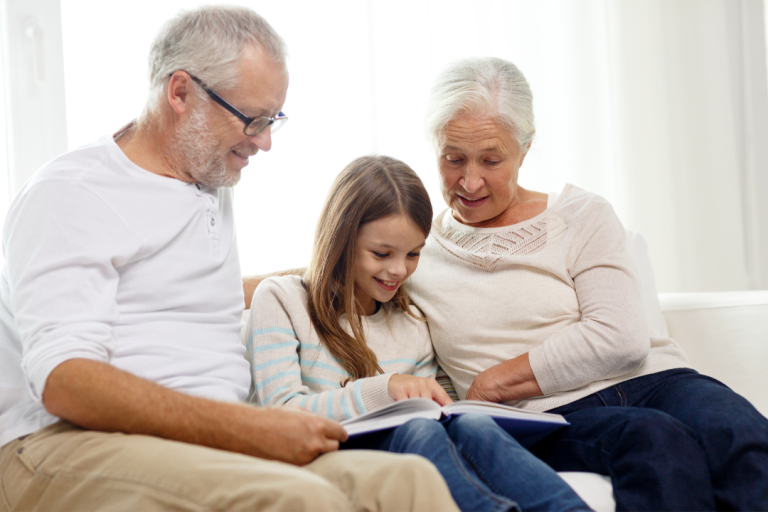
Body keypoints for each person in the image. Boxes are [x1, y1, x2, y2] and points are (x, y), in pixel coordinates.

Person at [0, 6, 461, 512]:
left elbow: (180, 291)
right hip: (62, 442)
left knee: (407, 483)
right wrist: (250, 424)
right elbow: (64, 381)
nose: (264, 142)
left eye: (273, 121)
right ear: (180, 93)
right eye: (252, 119)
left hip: (202, 444)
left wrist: (334, 274)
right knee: (299, 499)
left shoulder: (207, 181)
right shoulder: (72, 194)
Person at [406, 56, 768, 510]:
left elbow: (620, 338)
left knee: (743, 436)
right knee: (657, 446)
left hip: (657, 381)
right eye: (452, 158)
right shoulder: (415, 252)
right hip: (549, 417)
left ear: (525, 148)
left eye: (491, 160)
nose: (470, 180)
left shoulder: (581, 215)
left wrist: (493, 382)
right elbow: (340, 272)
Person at [247, 155, 592, 512]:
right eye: (381, 254)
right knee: (418, 431)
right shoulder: (282, 299)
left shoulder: (411, 321)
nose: (398, 270)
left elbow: (438, 414)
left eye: (413, 254)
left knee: (474, 426)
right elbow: (280, 414)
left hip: (409, 452)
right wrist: (385, 389)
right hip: (322, 453)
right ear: (341, 240)